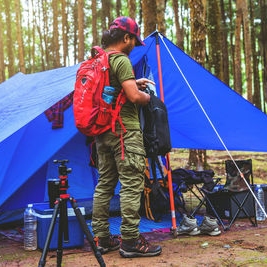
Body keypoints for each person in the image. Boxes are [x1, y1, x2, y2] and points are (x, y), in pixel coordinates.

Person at [91, 17, 162, 258]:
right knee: (132, 185)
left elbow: (117, 89)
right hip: (125, 132)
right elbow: (133, 97)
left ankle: (101, 238)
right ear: (126, 38)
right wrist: (147, 97)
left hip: (102, 132)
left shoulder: (98, 59)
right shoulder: (121, 59)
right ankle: (130, 241)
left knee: (104, 185)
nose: (134, 44)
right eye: (133, 40)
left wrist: (132, 84)